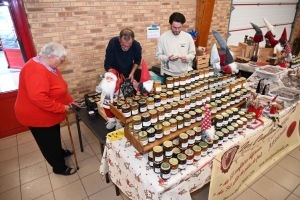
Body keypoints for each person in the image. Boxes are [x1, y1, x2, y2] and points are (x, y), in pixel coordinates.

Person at [15, 42, 79, 176]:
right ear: (52, 57)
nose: (62, 62)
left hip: (48, 112)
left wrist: (70, 101)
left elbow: (60, 88)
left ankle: (59, 152)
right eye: (61, 60)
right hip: (36, 115)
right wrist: (61, 107)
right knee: (48, 142)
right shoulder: (36, 71)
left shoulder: (49, 66)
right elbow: (38, 98)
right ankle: (59, 167)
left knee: (54, 136)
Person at [155, 12, 196, 78]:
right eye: (174, 27)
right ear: (170, 25)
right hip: (168, 74)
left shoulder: (188, 37)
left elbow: (192, 54)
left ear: (182, 25)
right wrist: (167, 58)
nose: (177, 30)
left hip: (184, 73)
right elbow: (158, 56)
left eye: (179, 27)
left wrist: (187, 58)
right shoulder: (163, 37)